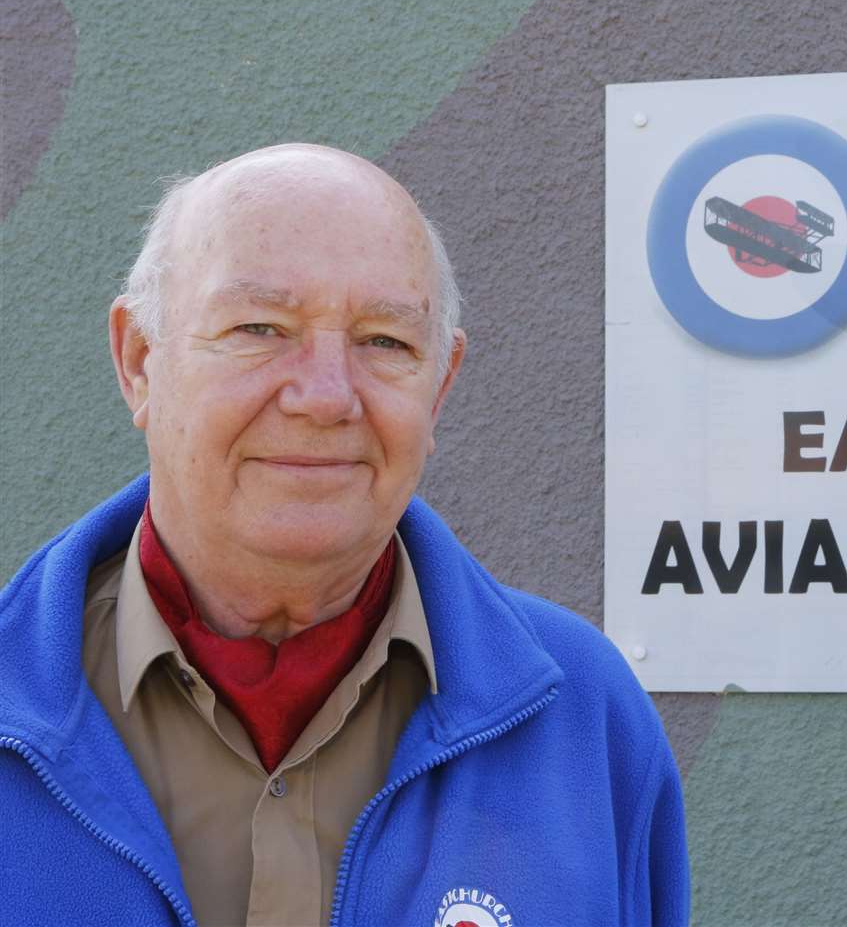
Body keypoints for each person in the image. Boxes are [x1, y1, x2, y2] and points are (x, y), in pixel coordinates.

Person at [0, 144, 689, 926]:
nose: (326, 396)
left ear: (439, 390)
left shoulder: (584, 720)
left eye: (385, 342)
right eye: (259, 327)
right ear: (139, 363)